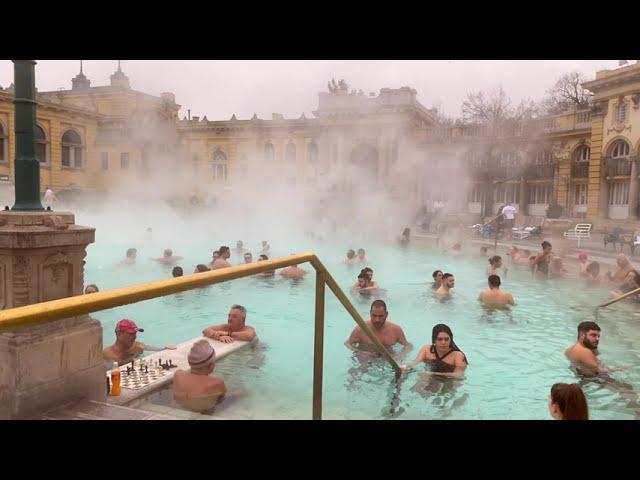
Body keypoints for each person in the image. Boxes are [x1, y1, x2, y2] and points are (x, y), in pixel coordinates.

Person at [172, 339, 226, 412]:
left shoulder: (178, 375)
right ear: (211, 365)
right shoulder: (217, 382)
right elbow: (222, 400)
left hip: (178, 409)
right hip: (203, 413)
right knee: (240, 393)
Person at [345, 299, 411, 357]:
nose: (377, 320)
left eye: (380, 316)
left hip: (387, 359)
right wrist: (363, 353)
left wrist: (400, 356)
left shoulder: (396, 330)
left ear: (386, 314)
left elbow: (408, 346)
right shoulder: (361, 329)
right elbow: (348, 344)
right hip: (366, 358)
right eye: (374, 315)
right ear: (370, 313)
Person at [401, 324, 468, 378]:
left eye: (446, 339)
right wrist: (406, 366)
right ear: (434, 340)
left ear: (451, 339)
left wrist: (434, 374)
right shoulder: (426, 349)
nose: (443, 342)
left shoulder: (457, 355)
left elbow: (459, 375)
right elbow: (415, 362)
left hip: (449, 380)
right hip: (431, 376)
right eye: (440, 339)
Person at [103, 319, 176, 366]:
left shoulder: (137, 346)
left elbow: (150, 348)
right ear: (118, 334)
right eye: (130, 334)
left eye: (135, 333)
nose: (134, 337)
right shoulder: (107, 355)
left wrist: (164, 348)